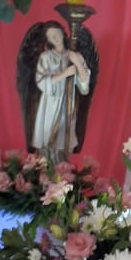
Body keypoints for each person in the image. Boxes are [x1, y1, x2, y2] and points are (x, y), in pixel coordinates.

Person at [32, 24, 91, 160]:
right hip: (48, 107)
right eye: (51, 36)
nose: (55, 38)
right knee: (47, 143)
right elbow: (41, 81)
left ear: (63, 34)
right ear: (48, 40)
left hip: (67, 104)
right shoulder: (45, 57)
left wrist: (78, 63)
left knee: (64, 142)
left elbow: (84, 86)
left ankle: (62, 170)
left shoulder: (75, 56)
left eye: (57, 34)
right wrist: (64, 74)